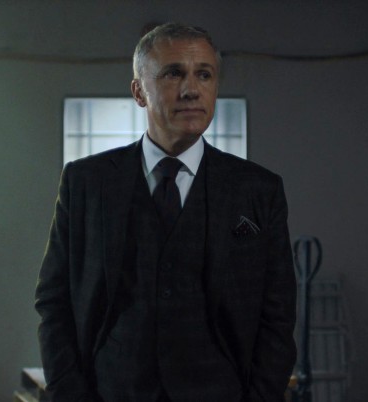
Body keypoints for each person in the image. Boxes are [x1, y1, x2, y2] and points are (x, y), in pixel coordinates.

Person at [35, 22, 296, 402]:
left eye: (204, 75)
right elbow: (53, 300)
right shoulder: (86, 182)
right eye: (173, 73)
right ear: (139, 91)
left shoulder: (257, 189)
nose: (191, 89)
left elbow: (278, 315)